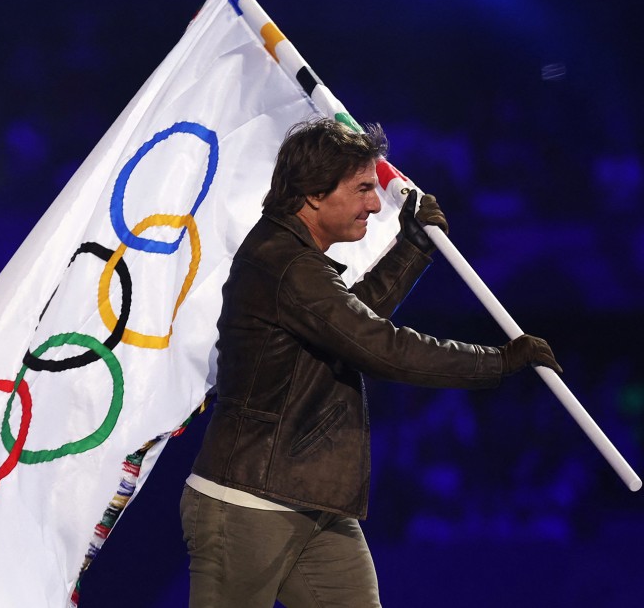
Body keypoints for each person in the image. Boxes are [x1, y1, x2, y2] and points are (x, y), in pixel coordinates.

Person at [181, 119, 561, 607]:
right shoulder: (287, 265)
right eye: (363, 188)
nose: (375, 203)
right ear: (315, 194)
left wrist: (414, 248)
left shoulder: (294, 260)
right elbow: (380, 346)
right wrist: (498, 363)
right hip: (246, 504)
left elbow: (351, 325)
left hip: (313, 502)